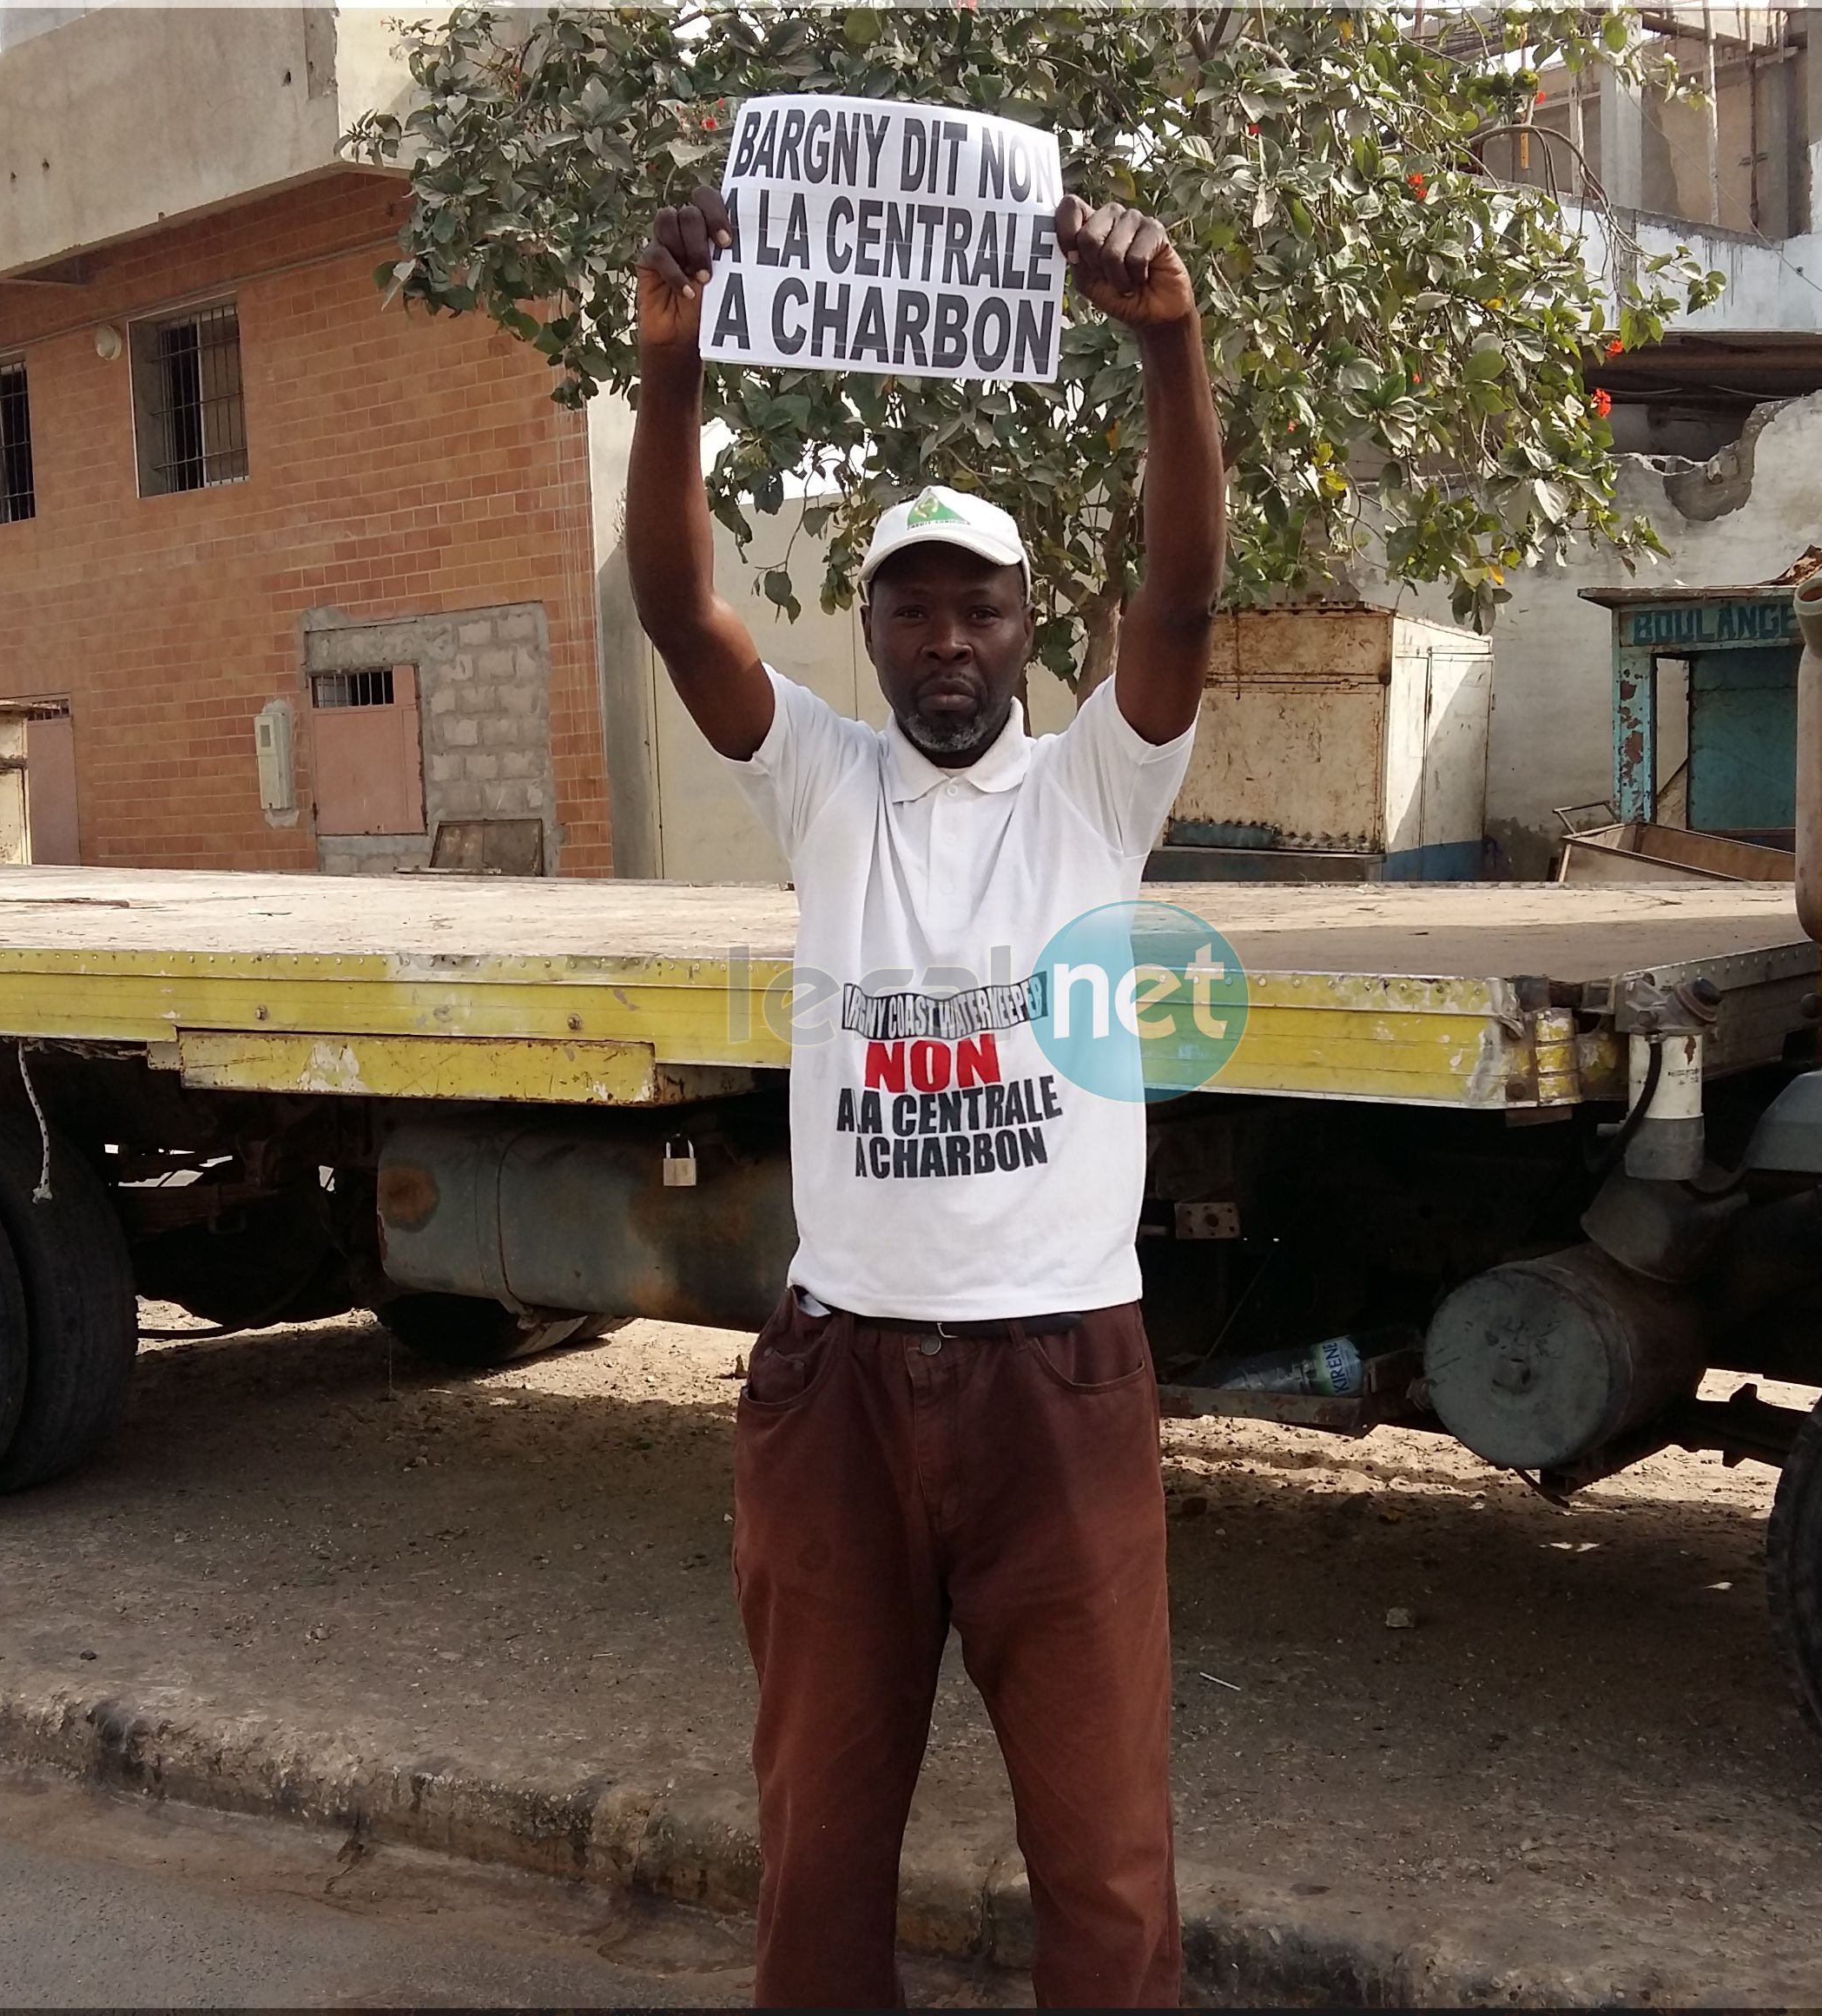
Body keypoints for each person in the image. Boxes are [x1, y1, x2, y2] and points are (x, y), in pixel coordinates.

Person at [625, 184, 1225, 2006]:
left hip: (1061, 1382)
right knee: (817, 1829)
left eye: (981, 611)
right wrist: (668, 372)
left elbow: (1186, 586)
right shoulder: (823, 784)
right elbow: (675, 606)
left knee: (1107, 1855)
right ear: (869, 635)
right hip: (843, 1386)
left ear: (1035, 631)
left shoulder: (1095, 793)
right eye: (913, 613)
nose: (948, 645)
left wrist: (1168, 345)